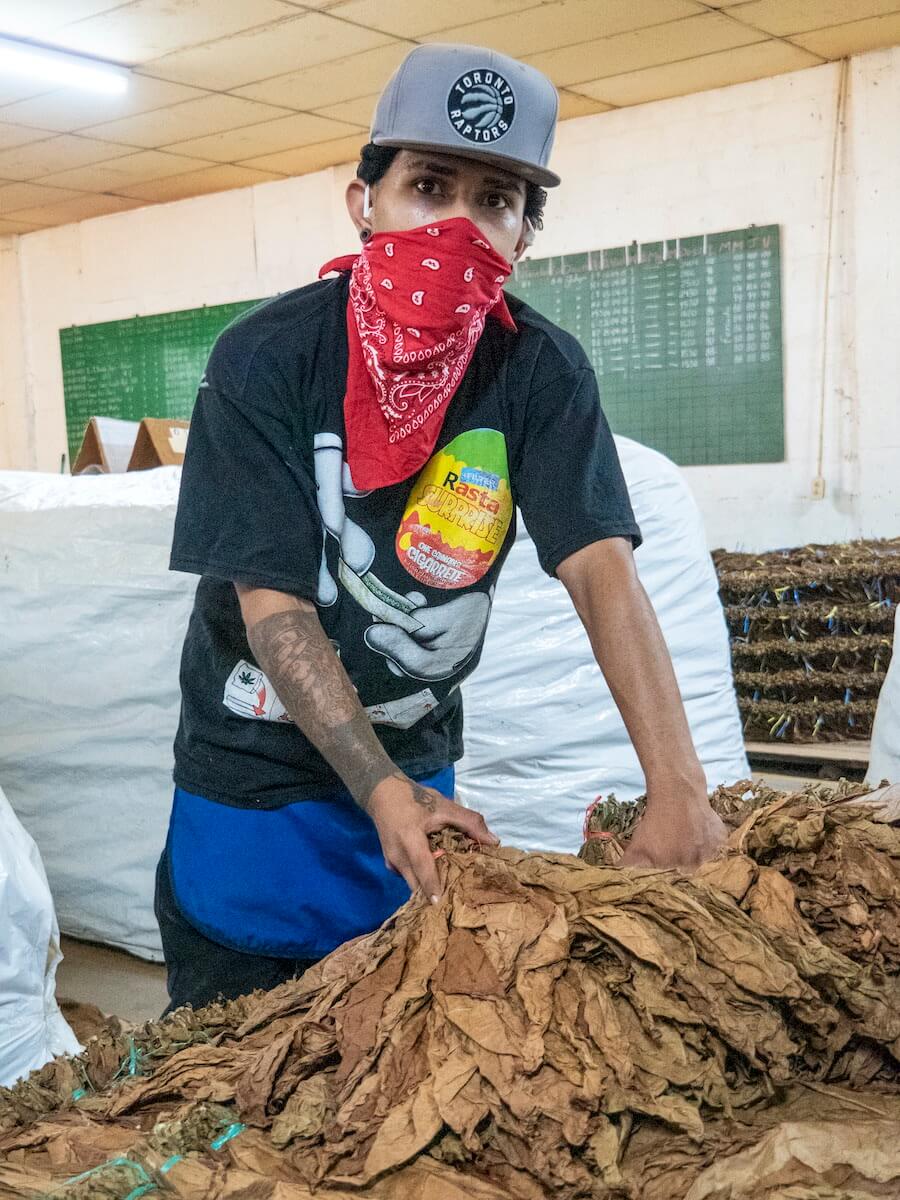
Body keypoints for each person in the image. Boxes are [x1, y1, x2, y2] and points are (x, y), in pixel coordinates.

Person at [155, 43, 727, 1012]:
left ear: (523, 237)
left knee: (407, 1051)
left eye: (497, 200)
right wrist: (375, 790)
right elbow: (276, 609)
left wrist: (678, 786)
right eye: (429, 185)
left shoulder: (539, 373)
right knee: (241, 1077)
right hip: (257, 784)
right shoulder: (265, 359)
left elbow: (602, 570)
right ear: (363, 201)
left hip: (422, 777)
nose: (459, 225)